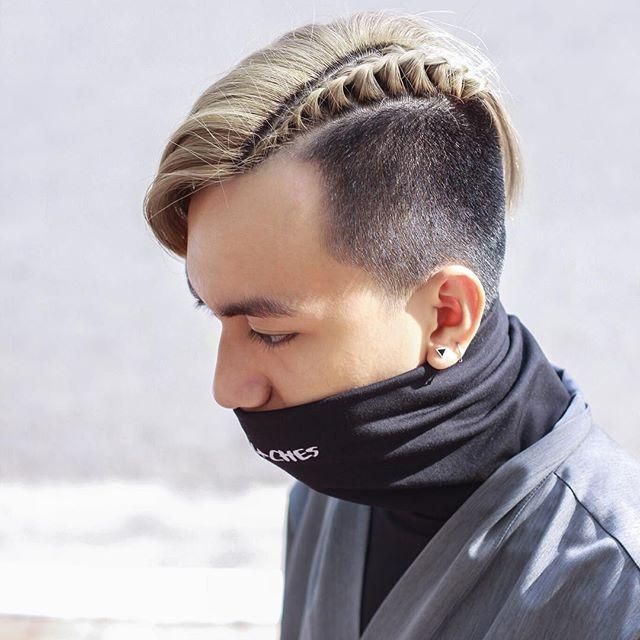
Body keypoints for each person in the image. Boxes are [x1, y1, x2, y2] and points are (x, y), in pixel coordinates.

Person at [143, 10, 640, 639]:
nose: (227, 387)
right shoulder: (330, 496)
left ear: (447, 316)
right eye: (214, 314)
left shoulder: (619, 590)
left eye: (271, 332)